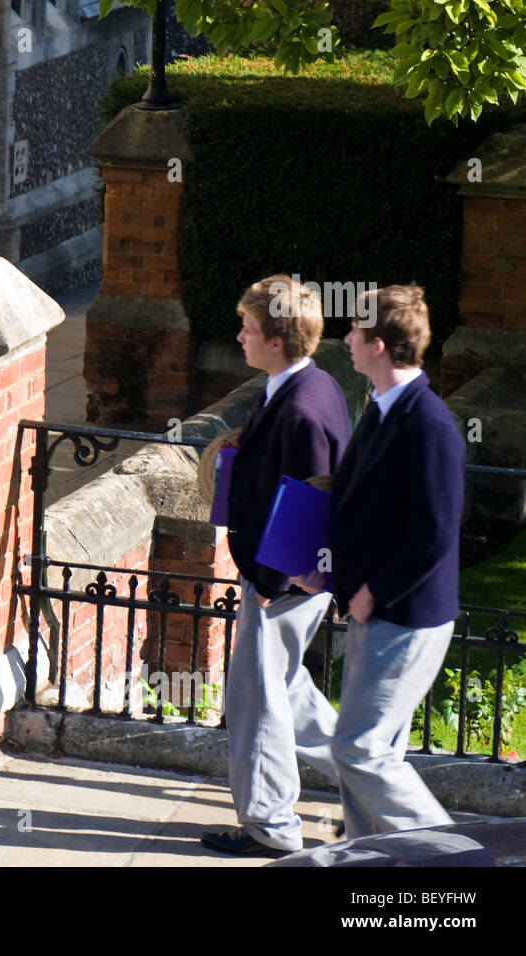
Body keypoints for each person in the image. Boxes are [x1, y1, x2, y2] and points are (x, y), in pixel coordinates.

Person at [200, 275, 353, 857]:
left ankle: (270, 828)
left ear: (278, 339)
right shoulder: (307, 385)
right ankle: (371, 775)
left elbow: (311, 501)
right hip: (286, 577)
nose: (239, 335)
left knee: (257, 699)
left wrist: (267, 584)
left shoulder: (303, 410)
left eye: (249, 328)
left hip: (282, 580)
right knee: (286, 690)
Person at [303, 285, 464, 838]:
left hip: (406, 614)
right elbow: (354, 502)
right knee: (370, 753)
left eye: (354, 332)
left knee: (359, 749)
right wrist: (322, 569)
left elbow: (434, 534)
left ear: (379, 344)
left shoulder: (430, 426)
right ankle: (375, 858)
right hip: (375, 608)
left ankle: (450, 856)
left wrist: (375, 591)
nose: (344, 339)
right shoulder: (379, 407)